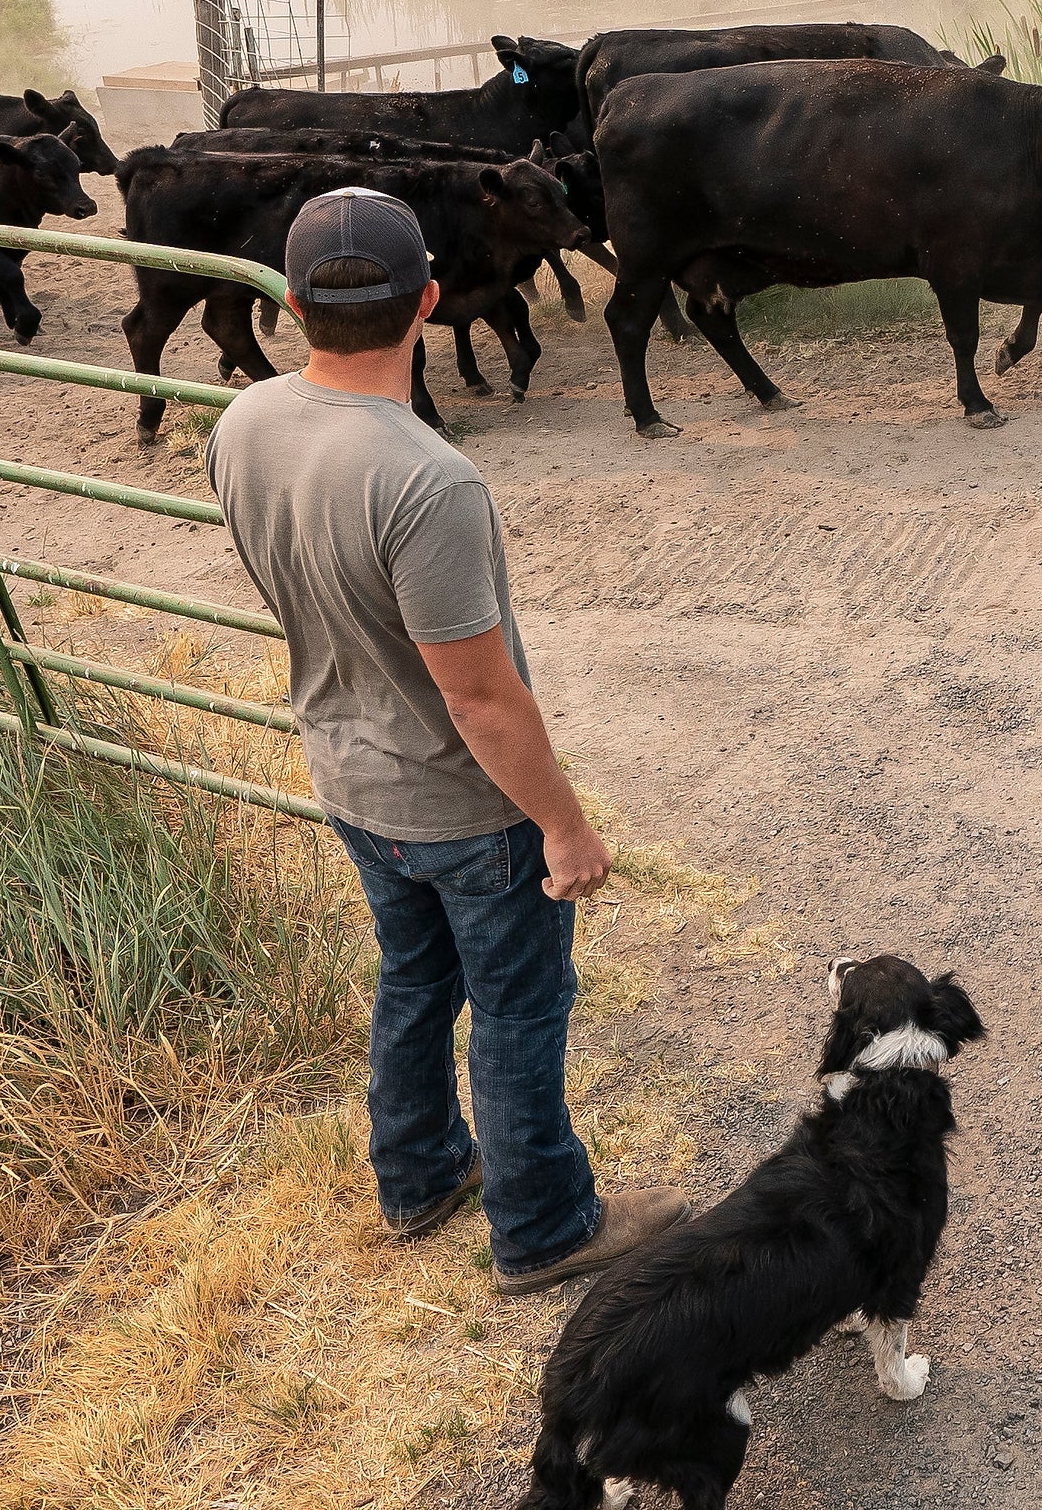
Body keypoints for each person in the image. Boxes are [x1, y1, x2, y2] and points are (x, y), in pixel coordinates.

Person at [205, 188, 686, 1293]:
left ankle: (417, 1174)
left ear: (288, 303)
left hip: (347, 773)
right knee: (518, 1008)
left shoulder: (245, 425)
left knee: (415, 978)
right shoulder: (427, 480)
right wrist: (563, 825)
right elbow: (481, 699)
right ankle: (546, 1224)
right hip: (465, 807)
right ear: (428, 297)